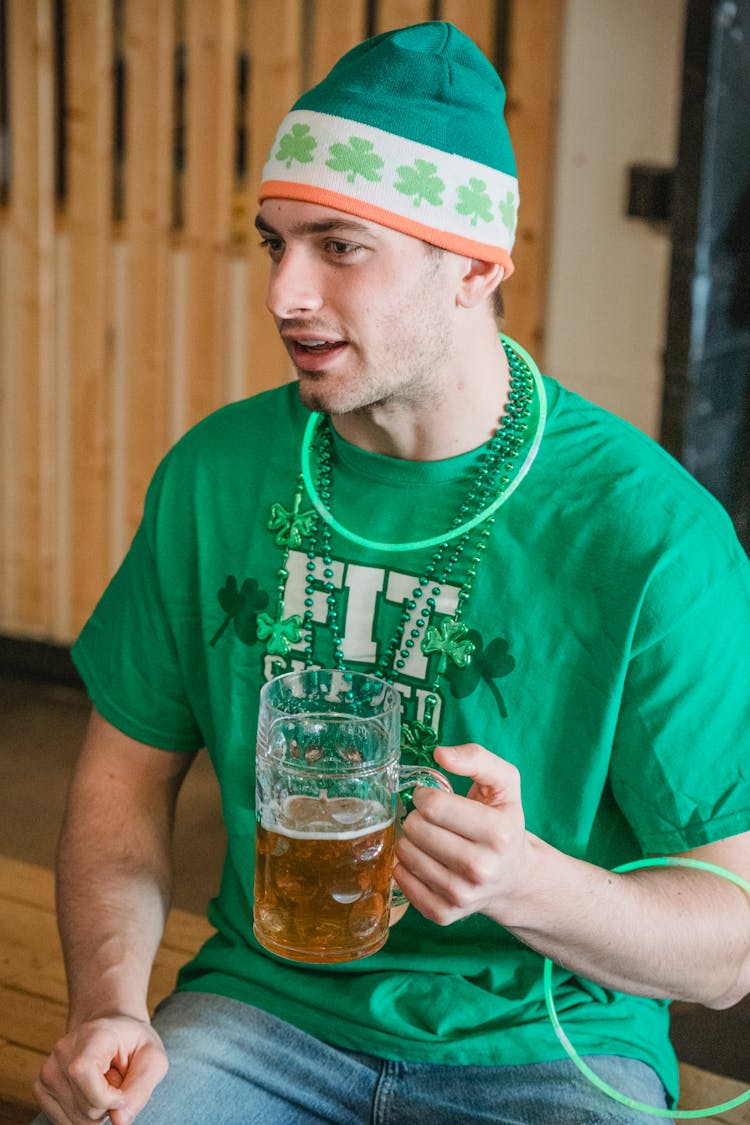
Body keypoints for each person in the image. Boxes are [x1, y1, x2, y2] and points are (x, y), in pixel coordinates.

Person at [32, 21, 750, 1125]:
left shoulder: (651, 534)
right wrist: (110, 1007)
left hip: (550, 1058)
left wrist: (525, 884)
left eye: (340, 244)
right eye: (275, 243)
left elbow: (728, 952)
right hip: (260, 1017)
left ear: (475, 266)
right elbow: (120, 788)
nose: (285, 292)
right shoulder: (217, 476)